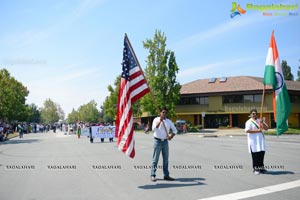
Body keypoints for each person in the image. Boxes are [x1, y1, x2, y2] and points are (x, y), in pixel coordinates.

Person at [150, 107, 178, 182]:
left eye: (166, 113)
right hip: (157, 141)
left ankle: (166, 175)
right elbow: (153, 129)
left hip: (165, 142)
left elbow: (175, 130)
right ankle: (153, 175)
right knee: (155, 159)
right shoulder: (156, 119)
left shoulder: (169, 121)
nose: (164, 114)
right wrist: (160, 122)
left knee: (166, 159)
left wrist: (171, 136)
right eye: (163, 112)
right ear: (160, 113)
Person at [245, 108, 269, 175]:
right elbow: (247, 130)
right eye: (253, 113)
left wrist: (262, 123)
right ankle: (256, 169)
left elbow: (266, 129)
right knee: (255, 156)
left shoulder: (260, 120)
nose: (254, 115)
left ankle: (261, 168)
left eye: (255, 113)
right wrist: (257, 131)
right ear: (250, 115)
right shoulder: (249, 122)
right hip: (253, 142)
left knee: (261, 155)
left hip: (261, 141)